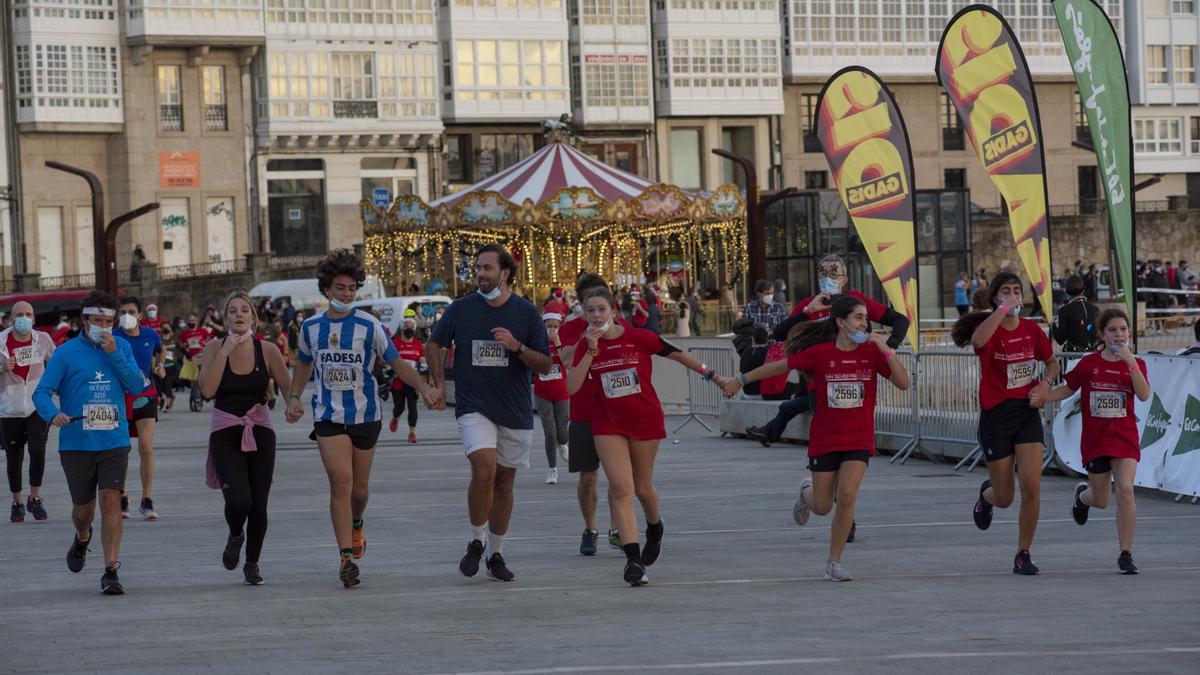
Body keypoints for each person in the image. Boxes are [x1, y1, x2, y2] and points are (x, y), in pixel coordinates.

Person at [722, 295, 909, 581]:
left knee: (847, 495)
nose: (865, 323)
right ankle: (805, 494)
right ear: (841, 323)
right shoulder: (820, 354)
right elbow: (779, 367)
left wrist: (885, 349)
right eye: (858, 317)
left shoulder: (871, 353)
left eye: (866, 318)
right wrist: (741, 380)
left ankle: (834, 562)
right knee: (822, 506)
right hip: (825, 438)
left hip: (858, 438)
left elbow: (903, 383)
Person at [286, 250, 437, 588]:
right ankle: (346, 558)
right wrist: (295, 397)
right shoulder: (310, 328)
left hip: (366, 414)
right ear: (326, 289)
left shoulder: (371, 326)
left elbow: (397, 363)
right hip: (328, 415)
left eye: (352, 288)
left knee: (359, 489)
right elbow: (304, 365)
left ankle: (357, 525)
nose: (347, 294)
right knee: (341, 481)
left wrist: (424, 389)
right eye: (340, 287)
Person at [566, 286, 729, 586]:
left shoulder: (638, 337)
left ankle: (655, 528)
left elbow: (680, 356)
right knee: (620, 487)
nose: (597, 316)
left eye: (602, 309)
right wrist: (589, 350)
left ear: (614, 311)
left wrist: (717, 378)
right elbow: (572, 387)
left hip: (644, 420)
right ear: (584, 314)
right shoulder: (585, 344)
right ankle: (633, 561)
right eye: (591, 311)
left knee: (642, 488)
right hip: (607, 423)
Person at [427, 245, 551, 583]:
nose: (480, 273)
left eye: (486, 268)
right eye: (477, 268)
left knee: (505, 481)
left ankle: (496, 552)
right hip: (473, 406)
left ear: (505, 272)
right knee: (484, 470)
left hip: (514, 408)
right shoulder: (461, 309)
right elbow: (434, 344)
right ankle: (476, 541)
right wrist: (437, 385)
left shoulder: (526, 313)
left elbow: (546, 362)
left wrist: (517, 347)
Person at [33, 291, 146, 594]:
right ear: (84, 320)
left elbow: (136, 386)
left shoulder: (120, 346)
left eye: (108, 321)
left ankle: (110, 570)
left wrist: (114, 354)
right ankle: (82, 537)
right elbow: (41, 393)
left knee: (111, 502)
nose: (103, 326)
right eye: (97, 321)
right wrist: (53, 413)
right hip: (77, 442)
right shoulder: (66, 353)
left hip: (114, 439)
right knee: (84, 510)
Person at [950, 271, 1059, 575]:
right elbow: (978, 340)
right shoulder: (990, 329)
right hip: (996, 415)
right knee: (1005, 497)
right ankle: (987, 496)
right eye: (1005, 291)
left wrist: (1046, 384)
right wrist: (1000, 311)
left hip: (1026, 411)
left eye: (1016, 291)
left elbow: (1052, 362)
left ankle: (1023, 553)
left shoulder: (1031, 329)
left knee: (1032, 485)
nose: (1012, 296)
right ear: (995, 297)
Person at [745, 253, 910, 447]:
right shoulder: (811, 303)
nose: (828, 278)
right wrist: (808, 312)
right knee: (799, 409)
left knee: (795, 408)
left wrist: (889, 348)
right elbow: (780, 334)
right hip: (816, 373)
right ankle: (792, 443)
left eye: (834, 273)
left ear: (844, 279)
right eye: (823, 274)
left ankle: (773, 434)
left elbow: (901, 320)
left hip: (852, 372)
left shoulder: (856, 301)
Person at [1040, 309, 1149, 574]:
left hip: (1123, 438)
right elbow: (1068, 388)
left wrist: (1130, 362)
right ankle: (1082, 497)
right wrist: (1042, 397)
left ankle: (1125, 553)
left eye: (1123, 329)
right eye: (1113, 330)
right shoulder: (1089, 364)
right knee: (1101, 500)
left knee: (1125, 489)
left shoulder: (1135, 364)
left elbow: (1144, 394)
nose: (1119, 335)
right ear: (1102, 334)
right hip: (1095, 439)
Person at [197, 293, 293, 585]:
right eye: (232, 311)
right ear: (225, 319)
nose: (239, 315)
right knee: (239, 501)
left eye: (244, 311)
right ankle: (236, 534)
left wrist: (294, 404)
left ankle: (252, 563)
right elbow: (207, 391)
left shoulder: (267, 349)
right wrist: (225, 351)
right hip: (225, 429)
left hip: (260, 429)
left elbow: (289, 389)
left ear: (254, 318)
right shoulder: (214, 347)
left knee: (258, 505)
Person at [559, 273, 623, 556]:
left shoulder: (620, 327)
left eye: (601, 305)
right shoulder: (572, 327)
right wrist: (585, 342)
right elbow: (563, 358)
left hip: (615, 411)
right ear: (581, 304)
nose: (597, 313)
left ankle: (618, 528)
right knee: (588, 476)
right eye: (589, 305)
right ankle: (590, 527)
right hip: (584, 410)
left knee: (619, 476)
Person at [1, 301, 56, 522]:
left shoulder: (43, 339)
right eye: (19, 315)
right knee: (14, 456)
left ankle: (35, 497)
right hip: (9, 408)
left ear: (34, 318)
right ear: (11, 319)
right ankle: (17, 501)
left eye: (28, 314)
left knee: (37, 449)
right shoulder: (2, 341)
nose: (24, 318)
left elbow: (57, 362)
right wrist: (2, 367)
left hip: (37, 405)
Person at [115, 297, 164, 521]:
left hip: (146, 395)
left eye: (131, 311)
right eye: (123, 311)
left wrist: (160, 365)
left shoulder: (150, 335)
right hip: (119, 398)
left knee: (145, 447)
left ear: (140, 315)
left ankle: (147, 498)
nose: (127, 315)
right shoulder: (113, 336)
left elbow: (160, 350)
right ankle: (122, 495)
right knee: (122, 449)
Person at [533, 312, 570, 485]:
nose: (552, 329)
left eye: (555, 326)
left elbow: (566, 362)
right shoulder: (537, 340)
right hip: (542, 392)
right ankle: (552, 469)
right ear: (543, 325)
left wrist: (557, 343)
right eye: (549, 326)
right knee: (550, 432)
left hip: (562, 391)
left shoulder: (562, 339)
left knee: (562, 432)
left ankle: (563, 444)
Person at [388, 314, 426, 443]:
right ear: (402, 329)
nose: (409, 329)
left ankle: (412, 433)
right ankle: (395, 418)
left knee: (412, 407)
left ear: (415, 330)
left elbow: (422, 359)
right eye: (406, 327)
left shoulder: (418, 344)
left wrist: (422, 360)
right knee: (399, 407)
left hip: (412, 380)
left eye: (411, 327)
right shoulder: (395, 343)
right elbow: (388, 359)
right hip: (397, 380)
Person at [1052, 275, 1100, 353]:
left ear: (1067, 290)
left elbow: (1060, 339)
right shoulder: (1095, 309)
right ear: (1083, 289)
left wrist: (1053, 326)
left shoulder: (1064, 310)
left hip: (1073, 357)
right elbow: (1098, 335)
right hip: (1092, 354)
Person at [738, 327, 770, 398]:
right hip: (763, 393)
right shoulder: (769, 353)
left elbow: (740, 373)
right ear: (767, 339)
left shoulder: (745, 353)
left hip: (747, 392)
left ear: (753, 339)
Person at [157, 323, 179, 412]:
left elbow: (183, 348)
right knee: (159, 387)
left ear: (170, 329)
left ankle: (166, 404)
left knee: (167, 386)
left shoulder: (174, 340)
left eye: (168, 327)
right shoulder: (158, 340)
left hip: (171, 367)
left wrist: (190, 355)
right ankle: (167, 399)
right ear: (161, 329)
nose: (166, 329)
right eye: (164, 327)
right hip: (160, 367)